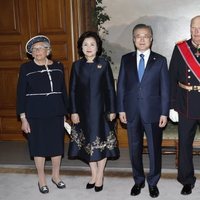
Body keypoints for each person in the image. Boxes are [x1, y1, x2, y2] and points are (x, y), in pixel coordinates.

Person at [117, 24, 170, 198]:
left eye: (145, 36)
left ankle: (153, 182)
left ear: (151, 39)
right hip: (131, 112)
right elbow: (122, 87)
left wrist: (164, 112)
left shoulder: (160, 60)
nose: (141, 39)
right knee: (134, 148)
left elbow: (165, 89)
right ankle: (138, 180)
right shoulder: (126, 59)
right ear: (133, 39)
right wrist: (121, 109)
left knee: (154, 149)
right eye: (138, 36)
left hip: (153, 112)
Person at [68, 31, 119, 192]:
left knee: (101, 144)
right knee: (87, 144)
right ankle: (94, 174)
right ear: (80, 48)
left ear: (97, 47)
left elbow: (111, 89)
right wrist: (73, 112)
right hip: (82, 113)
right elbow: (73, 91)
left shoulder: (103, 64)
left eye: (92, 44)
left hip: (101, 112)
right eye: (85, 44)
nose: (89, 47)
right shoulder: (76, 66)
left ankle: (100, 175)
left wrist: (112, 109)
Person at [16, 35, 68, 194]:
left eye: (41, 48)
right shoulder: (26, 68)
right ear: (31, 53)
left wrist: (65, 112)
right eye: (34, 49)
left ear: (48, 50)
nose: (37, 51)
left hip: (56, 113)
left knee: (56, 147)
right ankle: (42, 179)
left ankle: (56, 176)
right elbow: (20, 95)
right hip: (35, 115)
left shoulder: (59, 66)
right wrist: (23, 118)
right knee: (38, 148)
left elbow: (63, 92)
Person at [169, 15, 200, 195]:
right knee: (185, 144)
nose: (197, 32)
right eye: (194, 28)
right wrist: (172, 105)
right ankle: (186, 180)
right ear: (190, 29)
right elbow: (172, 77)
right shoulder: (181, 48)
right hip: (185, 102)